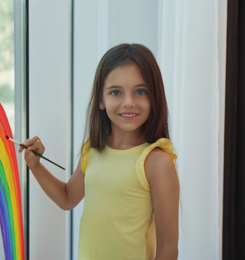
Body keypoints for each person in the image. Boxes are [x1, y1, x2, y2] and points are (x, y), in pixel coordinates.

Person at [19, 43, 179, 260]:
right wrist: (36, 166)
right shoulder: (92, 150)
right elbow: (67, 198)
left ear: (154, 97)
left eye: (141, 91)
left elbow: (168, 247)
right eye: (116, 92)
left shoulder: (156, 161)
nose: (128, 102)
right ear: (101, 100)